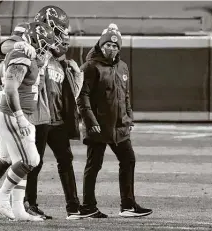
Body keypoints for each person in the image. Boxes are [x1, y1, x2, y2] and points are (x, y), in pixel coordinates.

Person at [0, 5, 84, 220]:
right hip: (32, 114)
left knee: (64, 158)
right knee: (30, 161)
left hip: (52, 115)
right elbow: (5, 45)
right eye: (59, 32)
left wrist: (77, 80)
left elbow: (62, 92)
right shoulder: (28, 37)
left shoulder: (57, 60)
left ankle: (73, 207)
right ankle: (23, 203)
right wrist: (25, 44)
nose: (62, 38)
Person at [0, 21, 56, 221]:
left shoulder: (32, 55)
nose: (47, 49)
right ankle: (2, 195)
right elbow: (7, 82)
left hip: (17, 111)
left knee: (9, 159)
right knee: (30, 160)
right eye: (45, 44)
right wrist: (19, 116)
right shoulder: (21, 51)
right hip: (14, 113)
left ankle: (12, 208)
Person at [77, 24, 153, 218]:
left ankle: (127, 205)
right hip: (99, 125)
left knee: (128, 160)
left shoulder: (122, 66)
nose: (111, 48)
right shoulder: (90, 67)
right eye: (108, 45)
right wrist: (91, 121)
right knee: (94, 165)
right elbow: (82, 96)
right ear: (101, 46)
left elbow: (125, 95)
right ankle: (88, 206)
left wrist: (129, 118)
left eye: (115, 45)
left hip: (119, 125)